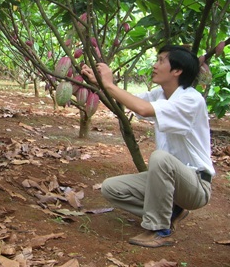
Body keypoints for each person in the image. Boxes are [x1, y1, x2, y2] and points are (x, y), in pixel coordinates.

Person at [81, 44, 215, 248]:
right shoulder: (160, 95)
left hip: (196, 185)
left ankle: (160, 230)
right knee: (112, 188)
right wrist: (99, 83)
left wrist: (109, 84)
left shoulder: (191, 99)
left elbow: (142, 109)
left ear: (177, 71)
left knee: (160, 158)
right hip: (171, 179)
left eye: (161, 61)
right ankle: (173, 211)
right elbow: (130, 101)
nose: (154, 65)